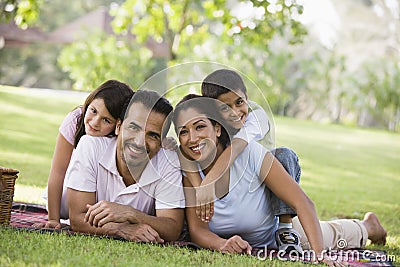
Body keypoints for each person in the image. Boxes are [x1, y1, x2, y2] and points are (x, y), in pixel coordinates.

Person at [173, 95, 387, 265]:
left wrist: (319, 254)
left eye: (200, 127)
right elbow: (199, 231)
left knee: (332, 234)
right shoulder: (188, 173)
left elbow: (302, 202)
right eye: (183, 132)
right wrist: (223, 244)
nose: (192, 138)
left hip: (277, 235)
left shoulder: (250, 154)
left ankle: (369, 226)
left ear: (217, 129)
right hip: (244, 240)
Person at [181, 69, 302, 253]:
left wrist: (207, 183)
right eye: (225, 107)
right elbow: (181, 152)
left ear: (246, 98)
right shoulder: (212, 125)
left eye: (239, 102)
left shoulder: (256, 116)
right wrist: (199, 186)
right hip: (240, 193)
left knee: (284, 155)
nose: (235, 112)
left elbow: (236, 147)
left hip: (267, 187)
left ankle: (285, 229)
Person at [65, 90, 185, 242]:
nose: (139, 142)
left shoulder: (169, 162)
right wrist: (121, 229)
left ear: (161, 143)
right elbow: (77, 219)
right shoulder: (90, 146)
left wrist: (131, 214)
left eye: (153, 135)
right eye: (134, 128)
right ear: (118, 127)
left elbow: (172, 228)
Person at [44, 80, 134, 229]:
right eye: (93, 111)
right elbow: (58, 172)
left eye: (106, 120)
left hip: (100, 197)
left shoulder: (119, 138)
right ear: (89, 102)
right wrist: (53, 219)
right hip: (69, 194)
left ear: (118, 125)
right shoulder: (75, 120)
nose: (95, 122)